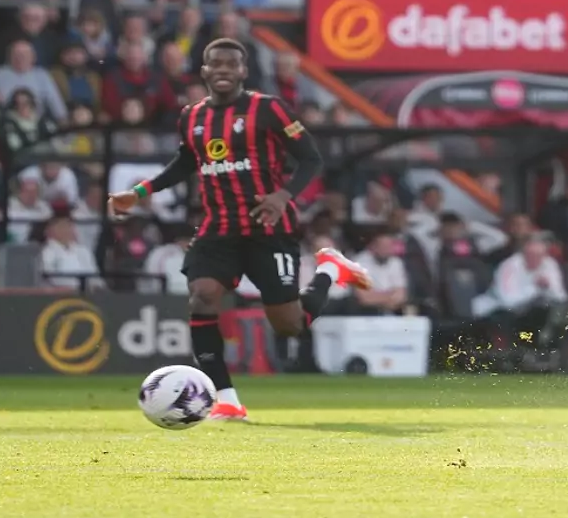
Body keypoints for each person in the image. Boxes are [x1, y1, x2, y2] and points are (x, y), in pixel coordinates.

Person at [108, 38, 371, 421]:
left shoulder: (268, 109)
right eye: (216, 64)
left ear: (244, 71)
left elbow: (311, 159)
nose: (224, 70)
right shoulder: (192, 116)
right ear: (204, 72)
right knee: (202, 296)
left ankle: (331, 269)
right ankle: (227, 399)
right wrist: (139, 192)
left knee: (289, 326)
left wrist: (283, 195)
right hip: (219, 227)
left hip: (269, 225)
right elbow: (185, 162)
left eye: (232, 64)